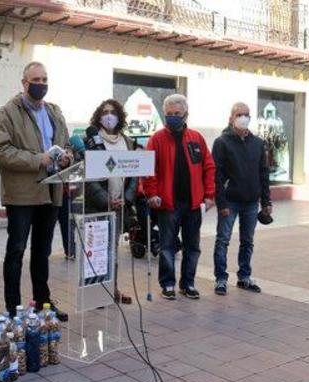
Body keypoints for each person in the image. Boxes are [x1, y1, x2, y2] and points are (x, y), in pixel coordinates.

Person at [0, 61, 72, 322]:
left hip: (52, 191)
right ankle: (14, 309)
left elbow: (65, 143)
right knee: (16, 250)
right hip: (22, 194)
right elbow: (1, 152)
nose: (41, 84)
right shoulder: (8, 112)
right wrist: (38, 160)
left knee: (42, 251)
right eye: (35, 80)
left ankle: (43, 303)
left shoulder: (54, 111)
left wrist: (67, 156)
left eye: (44, 79)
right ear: (24, 83)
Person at [144, 94, 215, 300]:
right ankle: (167, 284)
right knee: (167, 246)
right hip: (168, 204)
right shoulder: (156, 139)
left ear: (186, 115)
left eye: (177, 114)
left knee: (193, 247)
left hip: (193, 204)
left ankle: (188, 284)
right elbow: (149, 170)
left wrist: (210, 195)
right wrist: (152, 193)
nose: (173, 117)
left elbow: (208, 167)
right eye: (169, 114)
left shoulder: (197, 138)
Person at [212, 102, 272, 295]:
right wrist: (221, 203)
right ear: (231, 118)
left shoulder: (258, 143)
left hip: (251, 203)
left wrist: (266, 201)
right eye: (239, 114)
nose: (243, 118)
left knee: (248, 241)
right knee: (223, 240)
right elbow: (217, 176)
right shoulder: (222, 142)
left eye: (246, 115)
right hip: (229, 201)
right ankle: (221, 279)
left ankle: (244, 277)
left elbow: (264, 174)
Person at [84, 99, 138, 304]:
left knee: (112, 251)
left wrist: (127, 198)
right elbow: (88, 178)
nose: (109, 116)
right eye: (105, 112)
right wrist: (107, 200)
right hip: (98, 206)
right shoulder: (93, 141)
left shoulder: (127, 141)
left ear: (119, 116)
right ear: (99, 117)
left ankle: (112, 288)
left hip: (120, 206)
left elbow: (134, 174)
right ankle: (95, 292)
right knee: (96, 251)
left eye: (113, 112)